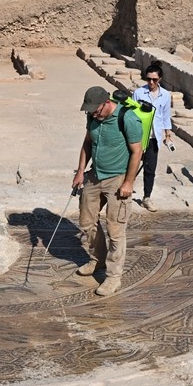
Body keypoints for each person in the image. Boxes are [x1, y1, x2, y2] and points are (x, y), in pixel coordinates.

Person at [70, 85, 143, 297]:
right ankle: (97, 259)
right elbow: (87, 143)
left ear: (107, 103)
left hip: (118, 178)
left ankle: (113, 277)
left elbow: (137, 152)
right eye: (90, 111)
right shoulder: (92, 117)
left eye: (96, 110)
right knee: (86, 222)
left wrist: (128, 183)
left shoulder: (127, 119)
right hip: (95, 175)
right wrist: (81, 171)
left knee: (115, 230)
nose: (93, 113)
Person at [132, 62, 174, 212]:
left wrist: (168, 134)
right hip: (138, 136)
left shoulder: (166, 95)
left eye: (154, 80)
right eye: (148, 79)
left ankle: (146, 197)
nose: (151, 82)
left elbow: (165, 116)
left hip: (154, 137)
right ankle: (126, 187)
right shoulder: (138, 93)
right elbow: (131, 113)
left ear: (160, 79)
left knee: (150, 168)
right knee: (132, 164)